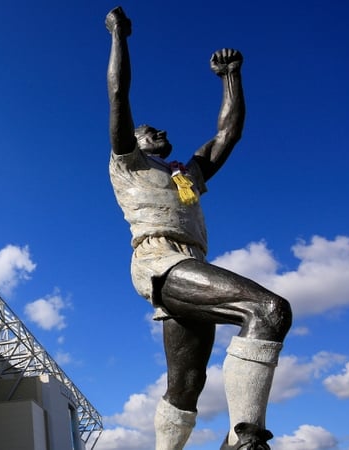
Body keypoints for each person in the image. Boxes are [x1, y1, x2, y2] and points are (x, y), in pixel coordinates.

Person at [105, 7, 292, 450]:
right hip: (158, 259)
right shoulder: (128, 162)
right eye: (150, 131)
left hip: (191, 263)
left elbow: (227, 134)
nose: (160, 131)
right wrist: (119, 36)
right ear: (135, 139)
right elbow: (118, 94)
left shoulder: (186, 176)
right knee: (267, 310)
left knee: (186, 384)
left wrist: (231, 77)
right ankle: (247, 438)